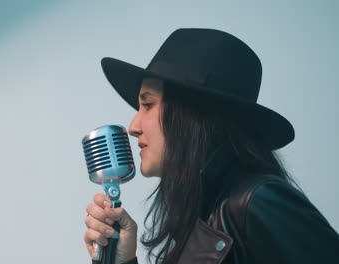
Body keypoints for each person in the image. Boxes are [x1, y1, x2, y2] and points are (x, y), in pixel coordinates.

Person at [83, 28, 339, 264]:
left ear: (193, 115)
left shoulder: (256, 201)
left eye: (147, 104)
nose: (133, 126)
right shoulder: (202, 218)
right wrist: (122, 260)